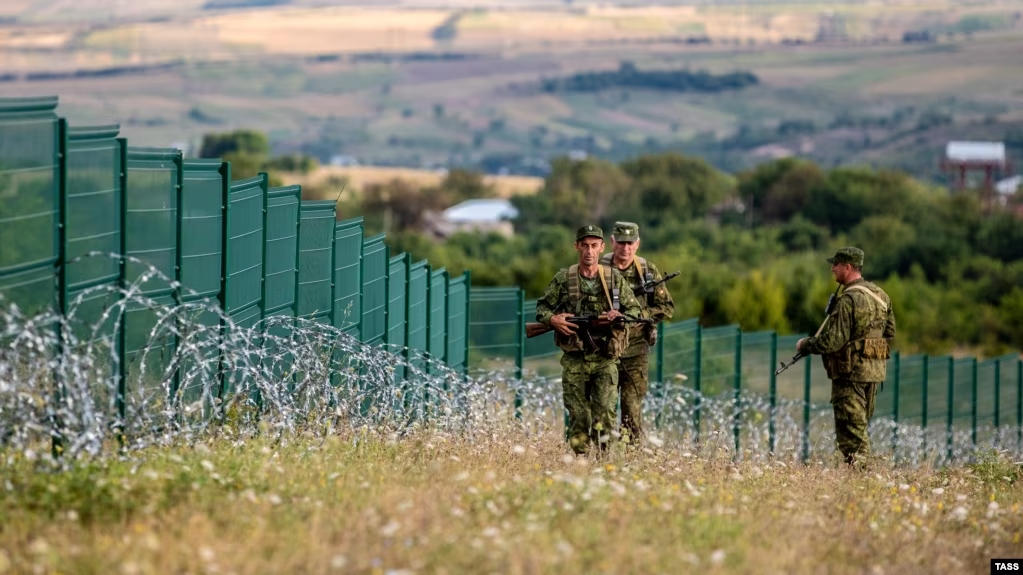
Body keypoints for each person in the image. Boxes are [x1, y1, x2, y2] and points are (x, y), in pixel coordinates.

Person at [535, 225, 642, 455]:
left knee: (604, 413)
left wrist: (619, 316)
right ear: (577, 246)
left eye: (594, 246)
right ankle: (579, 462)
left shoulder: (613, 279)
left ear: (602, 247)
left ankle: (606, 463)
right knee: (579, 416)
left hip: (605, 358)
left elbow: (635, 309)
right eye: (584, 246)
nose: (589, 251)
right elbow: (541, 308)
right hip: (575, 359)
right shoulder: (564, 279)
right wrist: (553, 319)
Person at [797, 247, 896, 466]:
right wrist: (868, 353)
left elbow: (833, 341)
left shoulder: (848, 300)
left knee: (853, 441)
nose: (832, 268)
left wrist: (805, 345)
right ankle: (861, 481)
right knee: (859, 432)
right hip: (873, 376)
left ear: (848, 267)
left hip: (849, 376)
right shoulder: (881, 296)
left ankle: (866, 484)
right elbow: (889, 335)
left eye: (836, 264)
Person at [599, 221, 674, 444]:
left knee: (632, 412)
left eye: (630, 243)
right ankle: (601, 458)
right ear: (612, 242)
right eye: (621, 243)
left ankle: (631, 459)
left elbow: (667, 307)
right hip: (604, 350)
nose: (625, 248)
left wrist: (640, 314)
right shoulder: (599, 269)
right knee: (603, 408)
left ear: (637, 244)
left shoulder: (647, 272)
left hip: (636, 352)